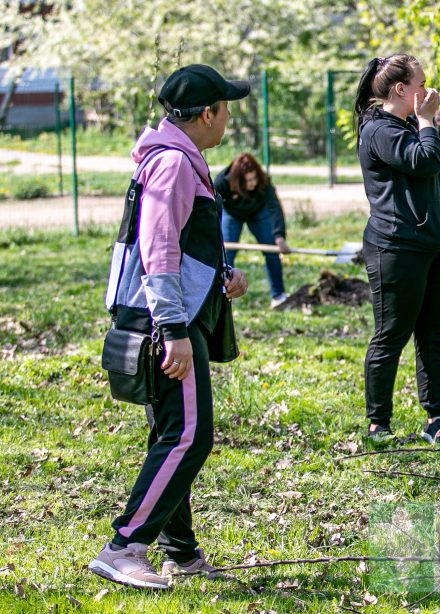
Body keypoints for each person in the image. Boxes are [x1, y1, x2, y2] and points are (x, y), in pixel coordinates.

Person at [89, 65, 250, 589]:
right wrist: (175, 329)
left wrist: (220, 274)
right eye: (225, 110)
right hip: (166, 321)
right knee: (188, 435)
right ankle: (124, 546)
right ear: (206, 114)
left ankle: (179, 551)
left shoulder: (175, 158)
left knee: (172, 433)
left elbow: (179, 244)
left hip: (170, 313)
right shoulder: (175, 164)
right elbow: (157, 251)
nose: (228, 120)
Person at [354, 54, 440, 443]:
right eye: (422, 83)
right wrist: (428, 122)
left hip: (435, 245)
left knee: (435, 332)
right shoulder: (379, 131)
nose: (428, 90)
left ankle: (436, 418)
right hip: (396, 249)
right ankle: (378, 424)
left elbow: (439, 183)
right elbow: (424, 161)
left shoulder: (410, 126)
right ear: (401, 90)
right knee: (392, 334)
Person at [215, 153, 291, 308]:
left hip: (258, 212)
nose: (253, 183)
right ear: (238, 180)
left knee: (271, 251)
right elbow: (212, 210)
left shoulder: (263, 181)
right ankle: (224, 294)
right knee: (226, 254)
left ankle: (278, 295)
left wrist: (279, 236)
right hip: (232, 213)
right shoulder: (222, 182)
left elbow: (274, 207)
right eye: (248, 180)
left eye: (254, 178)